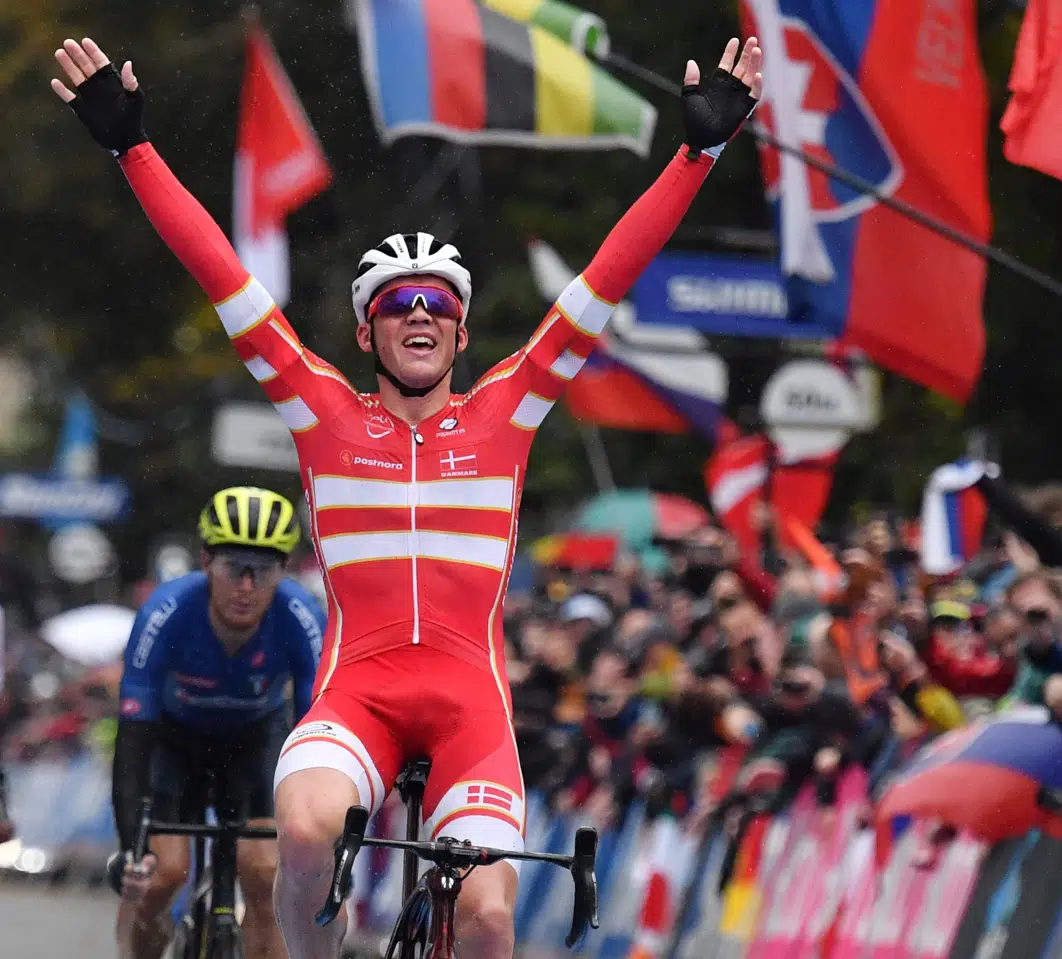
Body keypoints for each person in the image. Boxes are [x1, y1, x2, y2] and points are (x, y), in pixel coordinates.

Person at [52, 32, 762, 959]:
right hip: (359, 694)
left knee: (491, 920)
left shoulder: (509, 410)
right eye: (395, 303)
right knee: (304, 831)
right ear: (366, 332)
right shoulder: (321, 412)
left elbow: (608, 277)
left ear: (462, 334)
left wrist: (697, 154)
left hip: (472, 709)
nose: (418, 312)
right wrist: (132, 149)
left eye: (438, 304)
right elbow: (221, 272)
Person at [108, 488, 324, 959]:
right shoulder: (166, 610)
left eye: (262, 570)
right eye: (234, 568)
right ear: (206, 561)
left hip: (256, 742)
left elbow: (317, 731)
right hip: (174, 743)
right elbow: (133, 736)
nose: (246, 586)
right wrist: (130, 848)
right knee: (161, 875)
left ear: (284, 570)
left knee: (266, 875)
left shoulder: (301, 615)